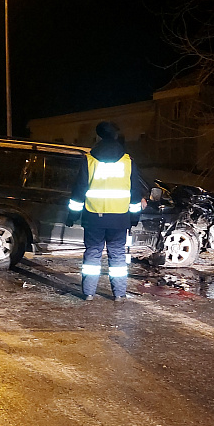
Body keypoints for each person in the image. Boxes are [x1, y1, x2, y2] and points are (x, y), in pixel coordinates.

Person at [67, 121, 143, 301]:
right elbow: (135, 192)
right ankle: (119, 294)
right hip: (119, 218)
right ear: (116, 137)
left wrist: (73, 215)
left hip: (94, 217)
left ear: (99, 137)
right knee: (117, 255)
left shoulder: (89, 160)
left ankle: (89, 293)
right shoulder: (128, 161)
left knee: (93, 253)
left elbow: (79, 190)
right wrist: (134, 217)